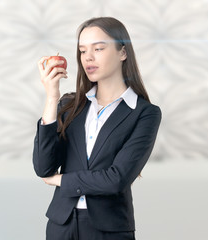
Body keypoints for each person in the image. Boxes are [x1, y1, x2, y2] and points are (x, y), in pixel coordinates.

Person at [33, 17, 161, 240]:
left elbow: (116, 179)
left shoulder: (144, 113)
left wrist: (61, 180)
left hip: (109, 230)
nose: (88, 57)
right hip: (61, 225)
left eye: (98, 48)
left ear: (123, 52)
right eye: (82, 51)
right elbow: (44, 168)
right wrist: (52, 98)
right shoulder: (69, 106)